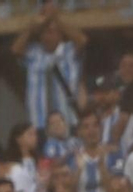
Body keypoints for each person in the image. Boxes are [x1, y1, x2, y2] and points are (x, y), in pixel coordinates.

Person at [11, 0, 86, 131]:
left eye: (51, 31)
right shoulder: (33, 53)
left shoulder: (69, 50)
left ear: (60, 34)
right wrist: (33, 27)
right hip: (39, 123)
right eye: (44, 32)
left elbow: (82, 40)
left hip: (68, 121)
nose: (47, 36)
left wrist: (54, 17)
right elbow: (16, 50)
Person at [72, 110, 124, 192]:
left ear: (101, 129)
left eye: (95, 125)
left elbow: (116, 190)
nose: (91, 131)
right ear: (79, 132)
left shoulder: (114, 154)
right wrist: (78, 170)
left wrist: (102, 166)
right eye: (86, 127)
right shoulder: (73, 157)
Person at [90, 74, 133, 158]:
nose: (101, 97)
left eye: (106, 92)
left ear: (117, 94)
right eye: (97, 93)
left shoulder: (126, 117)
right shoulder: (90, 120)